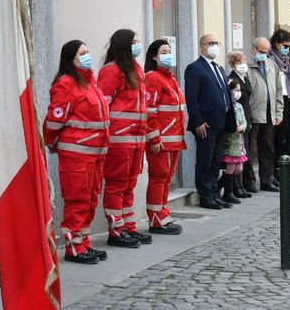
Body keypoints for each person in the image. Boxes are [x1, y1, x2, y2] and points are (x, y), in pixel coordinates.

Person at [45, 40, 110, 263]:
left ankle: (84, 242)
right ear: (71, 58)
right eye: (82, 53)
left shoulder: (90, 81)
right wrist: (52, 142)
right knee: (77, 200)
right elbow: (55, 119)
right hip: (77, 154)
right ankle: (73, 248)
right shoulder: (66, 83)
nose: (87, 55)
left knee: (90, 200)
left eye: (88, 51)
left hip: (95, 153)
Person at [97, 30, 150, 248]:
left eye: (138, 41)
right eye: (134, 42)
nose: (137, 45)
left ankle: (128, 226)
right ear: (123, 45)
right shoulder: (111, 71)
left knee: (129, 184)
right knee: (117, 185)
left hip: (137, 137)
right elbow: (103, 106)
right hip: (120, 138)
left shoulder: (135, 69)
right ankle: (116, 230)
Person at [183, 33, 232, 209]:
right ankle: (205, 195)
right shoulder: (194, 68)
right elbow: (191, 97)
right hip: (205, 123)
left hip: (221, 121)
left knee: (215, 161)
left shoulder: (218, 68)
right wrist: (197, 121)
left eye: (216, 42)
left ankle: (213, 191)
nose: (214, 46)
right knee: (205, 160)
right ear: (202, 46)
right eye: (211, 43)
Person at [141, 40, 186, 232]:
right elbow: (150, 111)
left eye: (169, 51)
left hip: (174, 138)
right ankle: (155, 218)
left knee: (167, 178)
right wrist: (154, 138)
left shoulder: (170, 78)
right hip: (161, 140)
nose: (168, 54)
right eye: (163, 51)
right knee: (159, 178)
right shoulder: (153, 77)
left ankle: (163, 212)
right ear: (154, 56)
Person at [245, 38, 284, 193]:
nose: (263, 54)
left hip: (269, 112)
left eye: (266, 52)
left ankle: (267, 180)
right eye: (261, 51)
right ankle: (249, 182)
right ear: (253, 49)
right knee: (248, 148)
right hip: (253, 113)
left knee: (267, 148)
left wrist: (279, 111)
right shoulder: (246, 66)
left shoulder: (271, 65)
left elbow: (279, 90)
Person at [269, 28, 290, 174]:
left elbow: (288, 80)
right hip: (276, 100)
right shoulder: (270, 58)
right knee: (279, 137)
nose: (287, 49)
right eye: (284, 46)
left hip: (287, 99)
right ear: (276, 43)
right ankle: (278, 169)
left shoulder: (286, 61)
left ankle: (284, 165)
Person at [226, 51, 256, 194]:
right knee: (235, 157)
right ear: (232, 65)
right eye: (239, 62)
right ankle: (236, 187)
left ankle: (241, 185)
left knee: (243, 154)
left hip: (245, 119)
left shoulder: (245, 78)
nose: (242, 65)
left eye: (243, 62)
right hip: (237, 121)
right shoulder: (231, 79)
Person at [220, 79, 249, 201]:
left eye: (239, 90)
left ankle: (218, 184)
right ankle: (228, 192)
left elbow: (244, 120)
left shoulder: (239, 106)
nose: (238, 92)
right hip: (229, 141)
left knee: (239, 168)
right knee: (230, 167)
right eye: (236, 90)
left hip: (238, 141)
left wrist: (242, 127)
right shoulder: (226, 105)